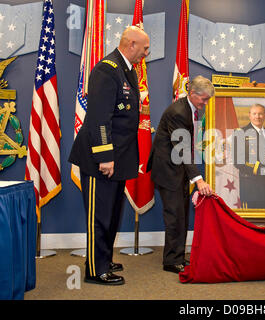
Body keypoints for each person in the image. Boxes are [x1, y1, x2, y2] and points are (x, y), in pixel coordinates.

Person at [69, 26, 150, 285]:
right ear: (131, 44)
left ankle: (102, 258)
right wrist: (105, 155)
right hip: (100, 158)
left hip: (119, 156)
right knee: (99, 214)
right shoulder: (107, 69)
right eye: (145, 48)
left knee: (113, 213)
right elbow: (99, 118)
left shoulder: (127, 71)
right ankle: (95, 270)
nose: (146, 53)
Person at [147, 75, 214, 274]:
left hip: (179, 169)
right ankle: (171, 261)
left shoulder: (191, 109)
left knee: (181, 214)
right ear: (192, 94)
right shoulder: (178, 112)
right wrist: (198, 179)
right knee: (175, 216)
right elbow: (182, 148)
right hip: (168, 170)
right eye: (204, 99)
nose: (205, 103)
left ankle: (177, 255)